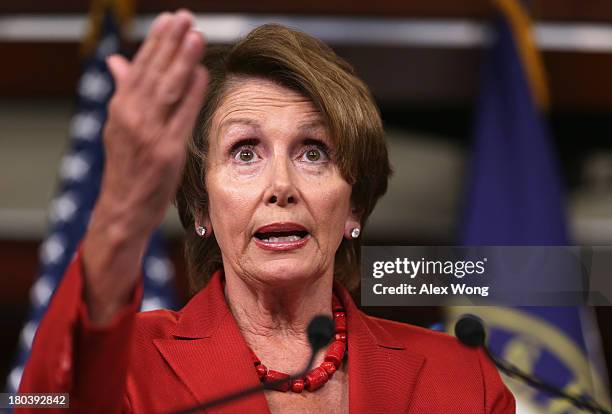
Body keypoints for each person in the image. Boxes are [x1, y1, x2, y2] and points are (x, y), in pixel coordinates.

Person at [17, 9, 515, 414]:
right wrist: (121, 216)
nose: (281, 186)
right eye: (245, 151)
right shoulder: (129, 364)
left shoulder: (458, 381)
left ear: (354, 206)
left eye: (313, 152)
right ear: (199, 205)